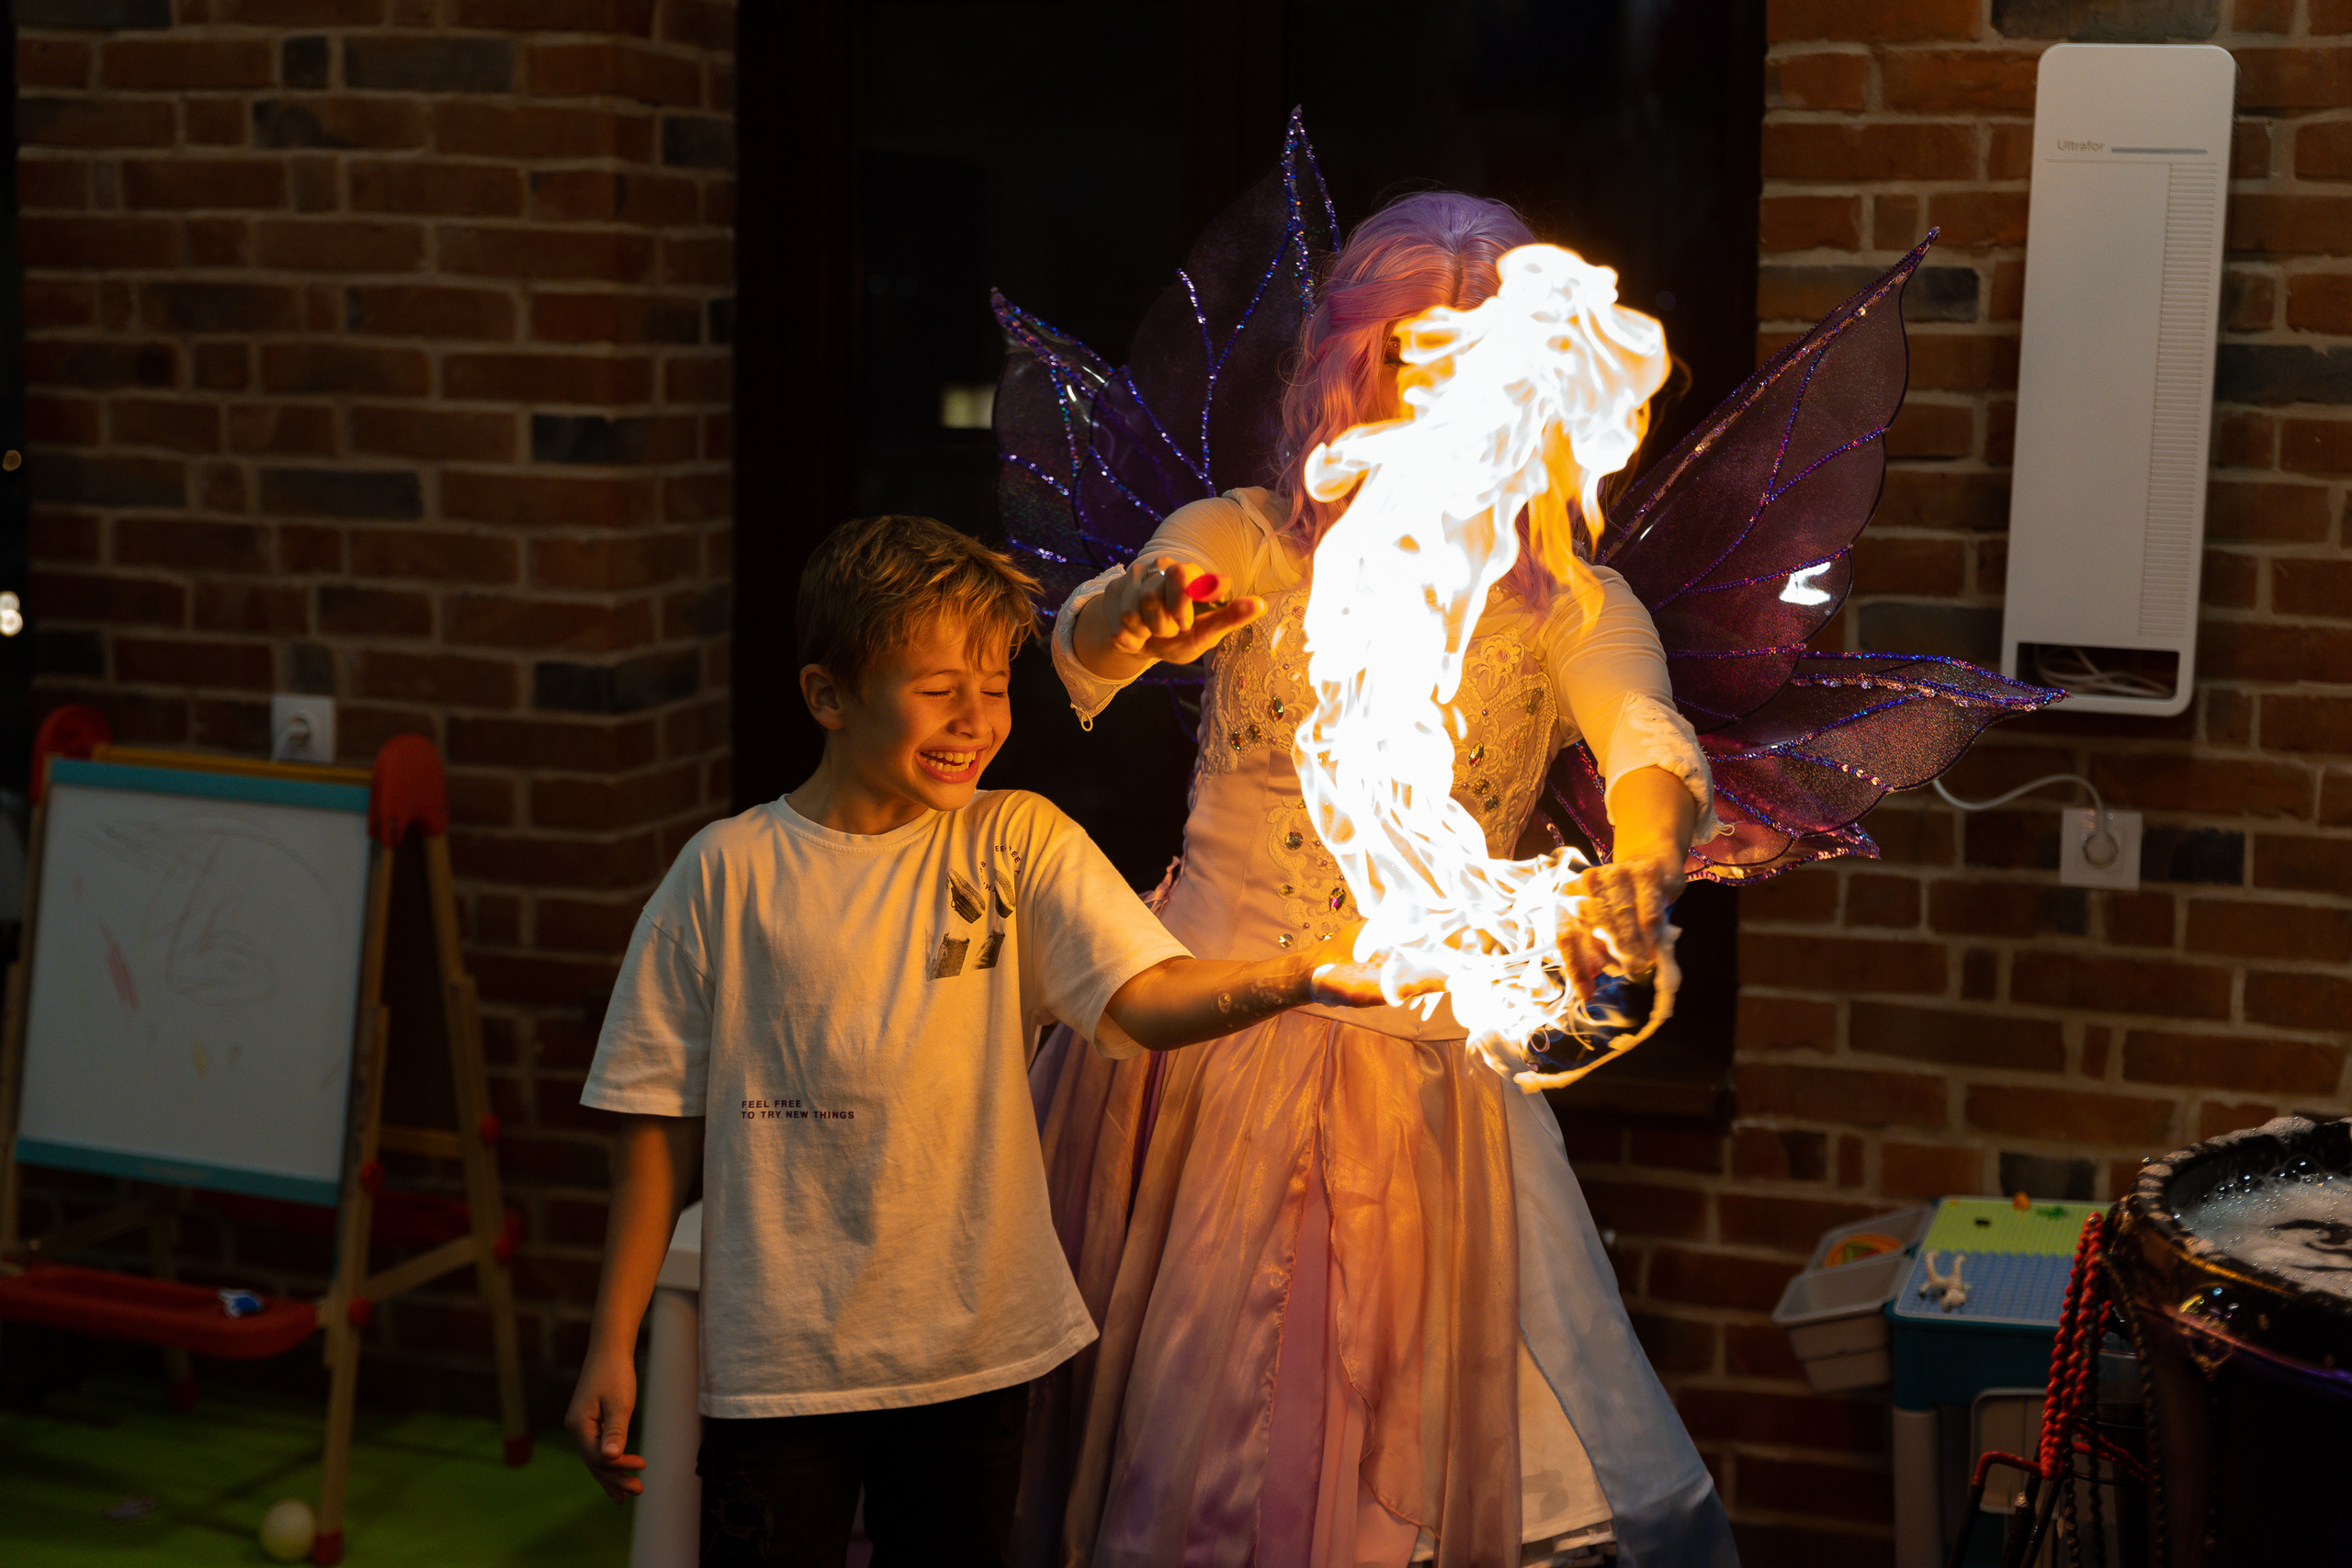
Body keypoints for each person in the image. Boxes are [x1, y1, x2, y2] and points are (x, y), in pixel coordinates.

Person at [1029, 195, 1740, 1566]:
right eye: (1418, 353)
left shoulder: (1575, 605)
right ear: (1357, 365)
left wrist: (1644, 865)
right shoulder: (1252, 538)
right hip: (1191, 1049)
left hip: (1419, 1078)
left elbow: (1648, 740)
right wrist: (1145, 607)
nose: (1448, 387)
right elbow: (1102, 638)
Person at [563, 514, 1407, 1568]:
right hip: (778, 1366)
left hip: (972, 1359)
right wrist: (614, 1334)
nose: (975, 719)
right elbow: (654, 1119)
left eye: (995, 687)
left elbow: (1147, 997)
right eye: (935, 689)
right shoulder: (725, 873)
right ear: (828, 696)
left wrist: (1300, 976)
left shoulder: (1017, 840)